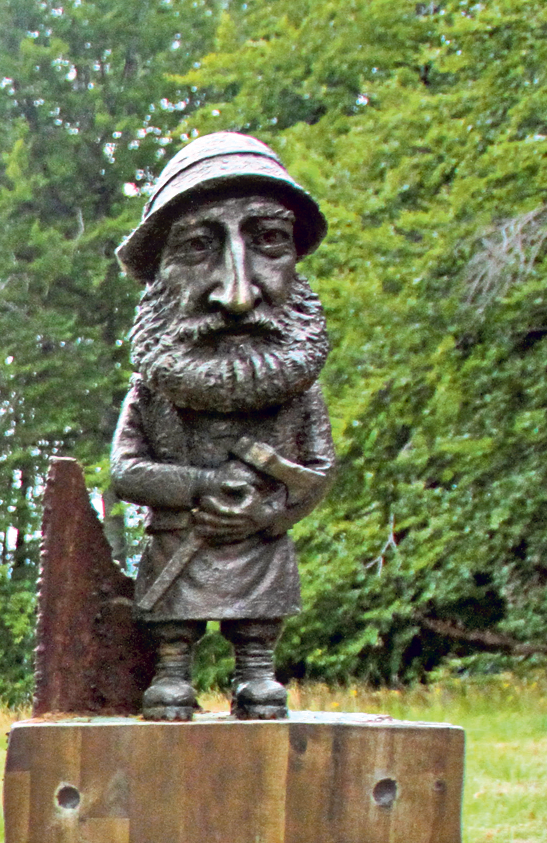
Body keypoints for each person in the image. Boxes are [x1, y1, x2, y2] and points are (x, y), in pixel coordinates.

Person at [110, 132, 335, 721]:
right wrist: (199, 485)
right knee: (173, 621)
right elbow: (125, 471)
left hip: (258, 544)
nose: (237, 295)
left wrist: (266, 515)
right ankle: (173, 674)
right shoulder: (152, 396)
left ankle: (257, 673)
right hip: (180, 539)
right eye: (196, 247)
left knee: (260, 620)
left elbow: (317, 472)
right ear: (159, 273)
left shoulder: (299, 395)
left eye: (269, 242)